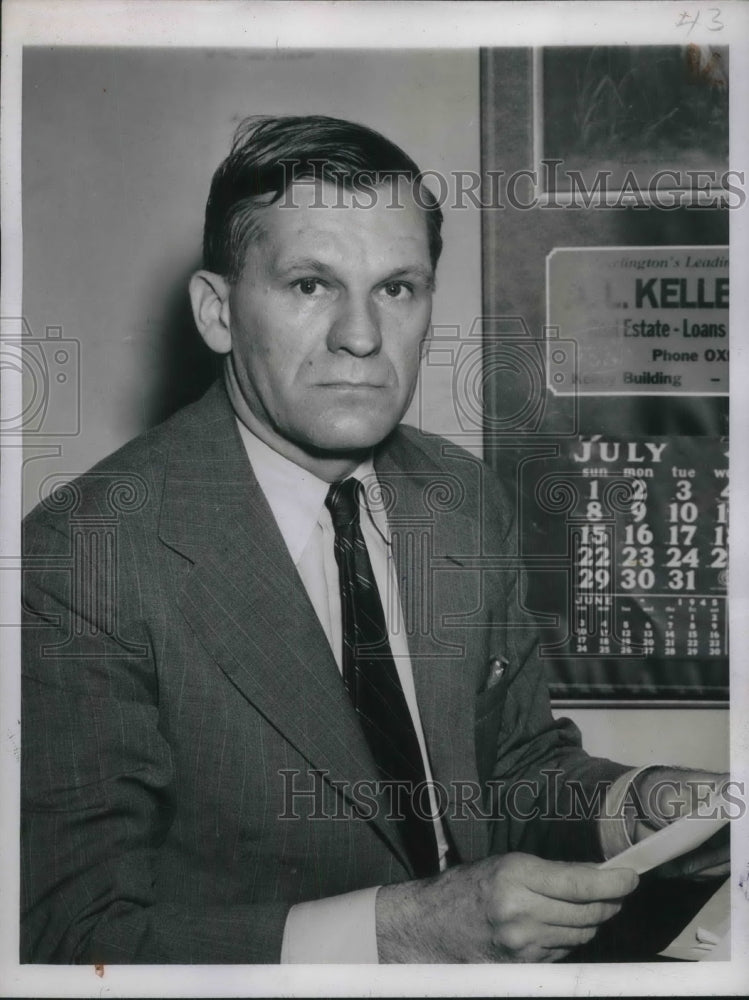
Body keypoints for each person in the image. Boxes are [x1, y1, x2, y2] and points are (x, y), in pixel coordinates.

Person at [21, 115, 729, 965]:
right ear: (216, 312)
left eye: (397, 288)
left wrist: (642, 807)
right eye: (310, 284)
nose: (361, 337)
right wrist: (397, 933)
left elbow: (509, 772)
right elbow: (69, 938)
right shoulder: (83, 556)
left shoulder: (460, 497)